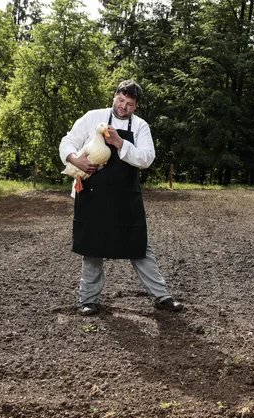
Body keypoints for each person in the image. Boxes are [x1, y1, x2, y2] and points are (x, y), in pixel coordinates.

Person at [59, 80, 183, 316]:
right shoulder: (92, 117)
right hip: (93, 195)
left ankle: (162, 296)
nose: (123, 107)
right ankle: (89, 300)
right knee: (92, 247)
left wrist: (119, 142)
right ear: (115, 96)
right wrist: (75, 159)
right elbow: (68, 141)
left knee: (139, 245)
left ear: (136, 107)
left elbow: (147, 158)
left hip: (125, 197)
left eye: (130, 104)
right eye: (121, 100)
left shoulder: (141, 127)